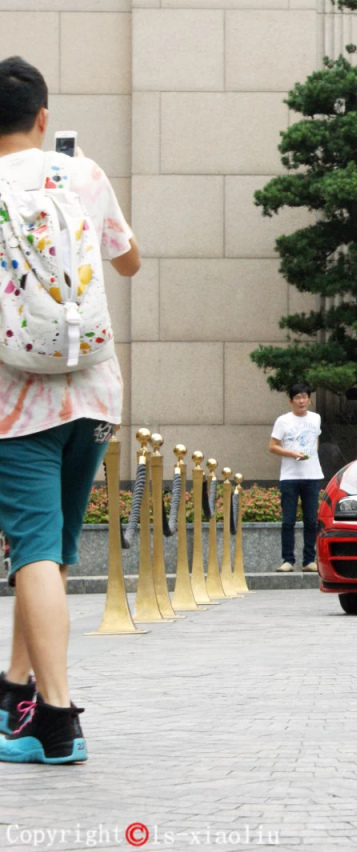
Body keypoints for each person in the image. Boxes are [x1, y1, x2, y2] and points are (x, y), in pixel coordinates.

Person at [0, 56, 141, 764]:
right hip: (93, 393)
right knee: (46, 554)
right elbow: (129, 260)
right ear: (44, 118)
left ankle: (56, 722)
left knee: (33, 551)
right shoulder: (82, 175)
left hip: (14, 402)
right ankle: (14, 692)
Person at [269, 384, 323, 573]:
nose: (301, 401)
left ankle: (309, 560)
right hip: (290, 476)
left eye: (305, 397)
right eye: (297, 397)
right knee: (288, 520)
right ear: (291, 400)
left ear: (309, 399)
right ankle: (288, 560)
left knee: (311, 521)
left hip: (312, 475)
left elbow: (315, 439)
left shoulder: (316, 418)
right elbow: (273, 446)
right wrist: (292, 454)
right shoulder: (283, 420)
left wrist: (311, 453)